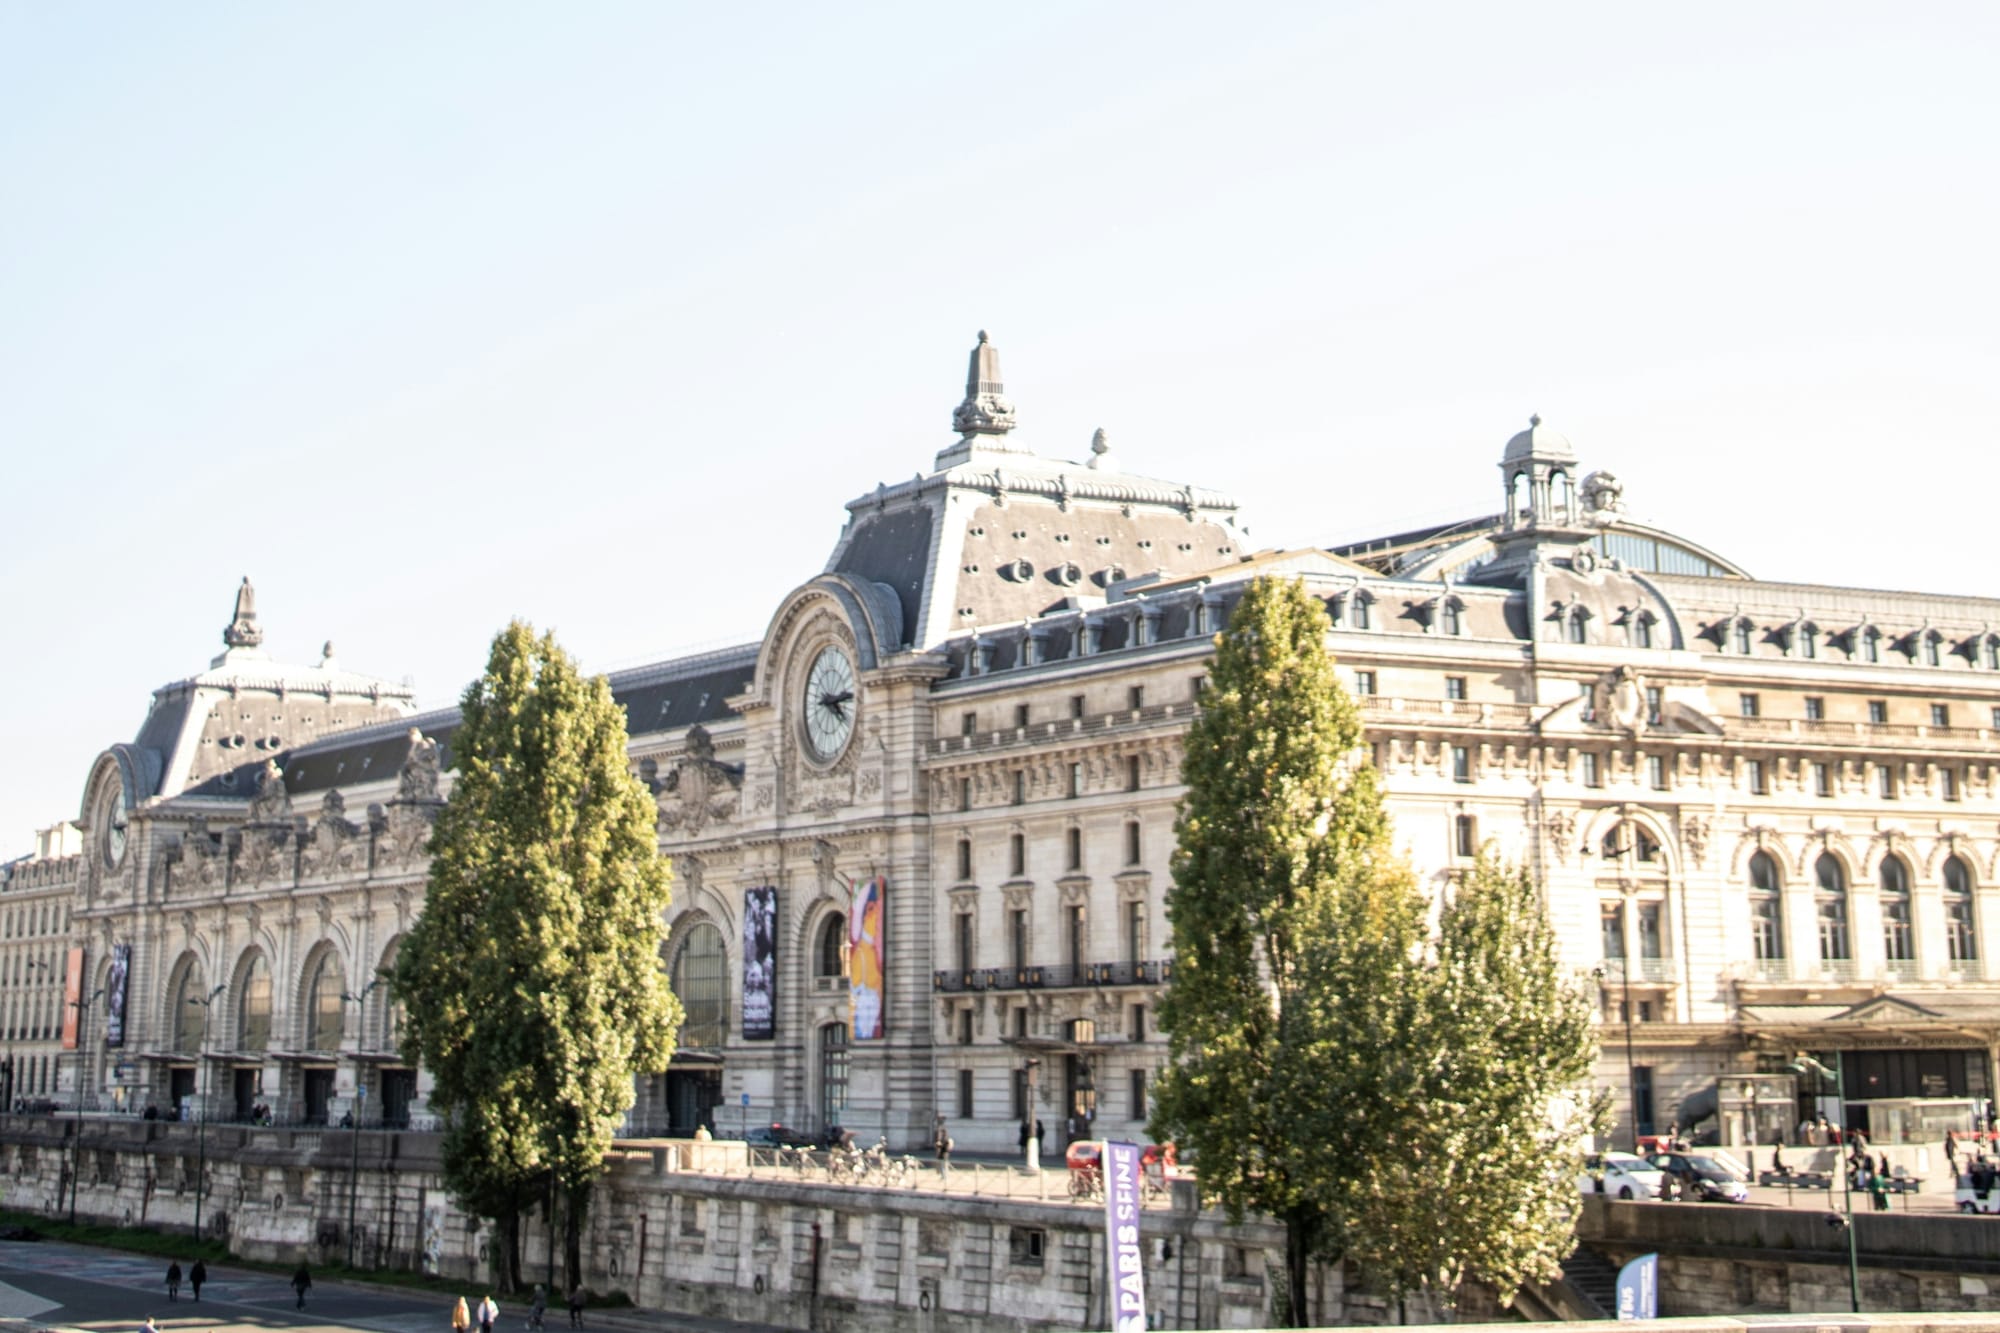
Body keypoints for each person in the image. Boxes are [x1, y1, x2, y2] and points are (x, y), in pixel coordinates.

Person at [933, 1115, 953, 1181]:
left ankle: (944, 1175)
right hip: (942, 1149)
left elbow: (942, 1141)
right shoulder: (940, 1129)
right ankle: (943, 1175)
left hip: (943, 1149)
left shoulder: (942, 1130)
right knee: (942, 1163)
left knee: (943, 1163)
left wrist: (939, 1145)